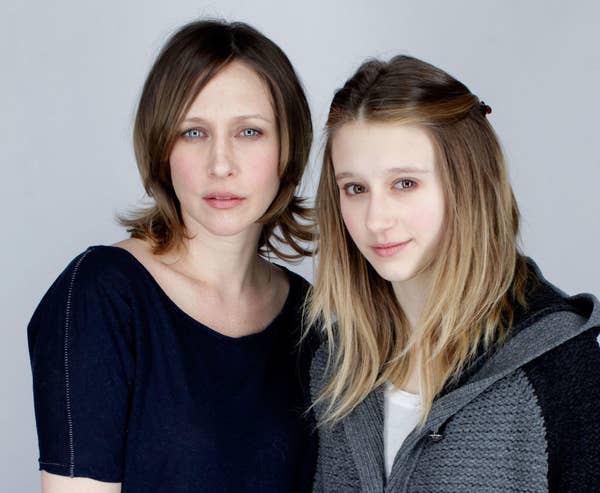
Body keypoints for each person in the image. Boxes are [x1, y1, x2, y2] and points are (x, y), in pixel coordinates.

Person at [28, 19, 316, 493]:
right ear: (161, 147)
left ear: (289, 148)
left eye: (249, 132)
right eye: (193, 132)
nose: (221, 164)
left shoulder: (314, 319)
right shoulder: (101, 296)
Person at [308, 55, 600, 492]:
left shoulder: (560, 367)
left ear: (466, 184)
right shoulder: (333, 363)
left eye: (404, 183)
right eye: (355, 188)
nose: (376, 219)